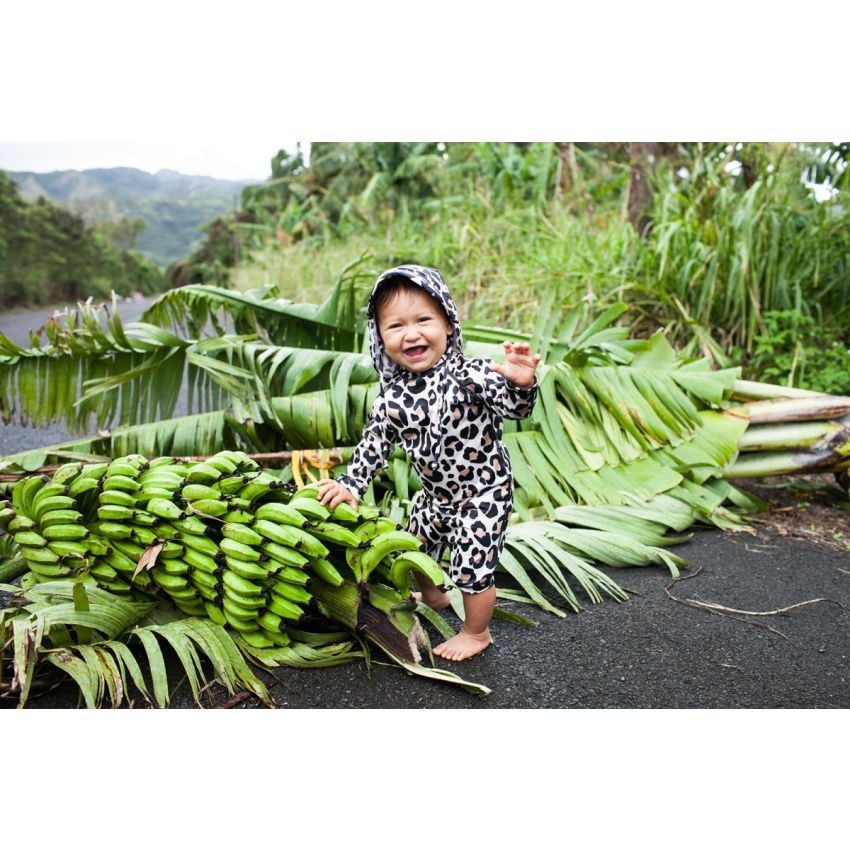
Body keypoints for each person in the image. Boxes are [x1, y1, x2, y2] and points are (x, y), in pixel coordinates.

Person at [317, 265, 540, 661]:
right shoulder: (392, 398)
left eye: (424, 320)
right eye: (396, 326)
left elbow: (515, 409)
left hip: (484, 491)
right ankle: (435, 596)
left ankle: (476, 632)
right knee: (415, 545)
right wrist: (351, 484)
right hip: (436, 496)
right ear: (380, 337)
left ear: (449, 325)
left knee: (473, 566)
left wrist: (520, 384)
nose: (411, 333)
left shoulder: (472, 375)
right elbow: (374, 445)